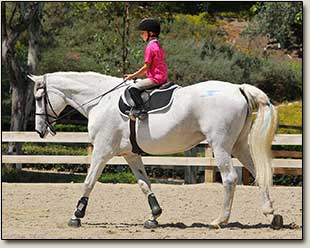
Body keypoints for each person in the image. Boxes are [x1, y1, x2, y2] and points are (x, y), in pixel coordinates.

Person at [124, 18, 168, 120]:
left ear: (151, 33)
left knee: (132, 88)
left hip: (156, 79)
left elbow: (146, 67)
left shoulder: (150, 46)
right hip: (163, 77)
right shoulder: (158, 45)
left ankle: (141, 110)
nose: (141, 35)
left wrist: (132, 76)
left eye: (143, 33)